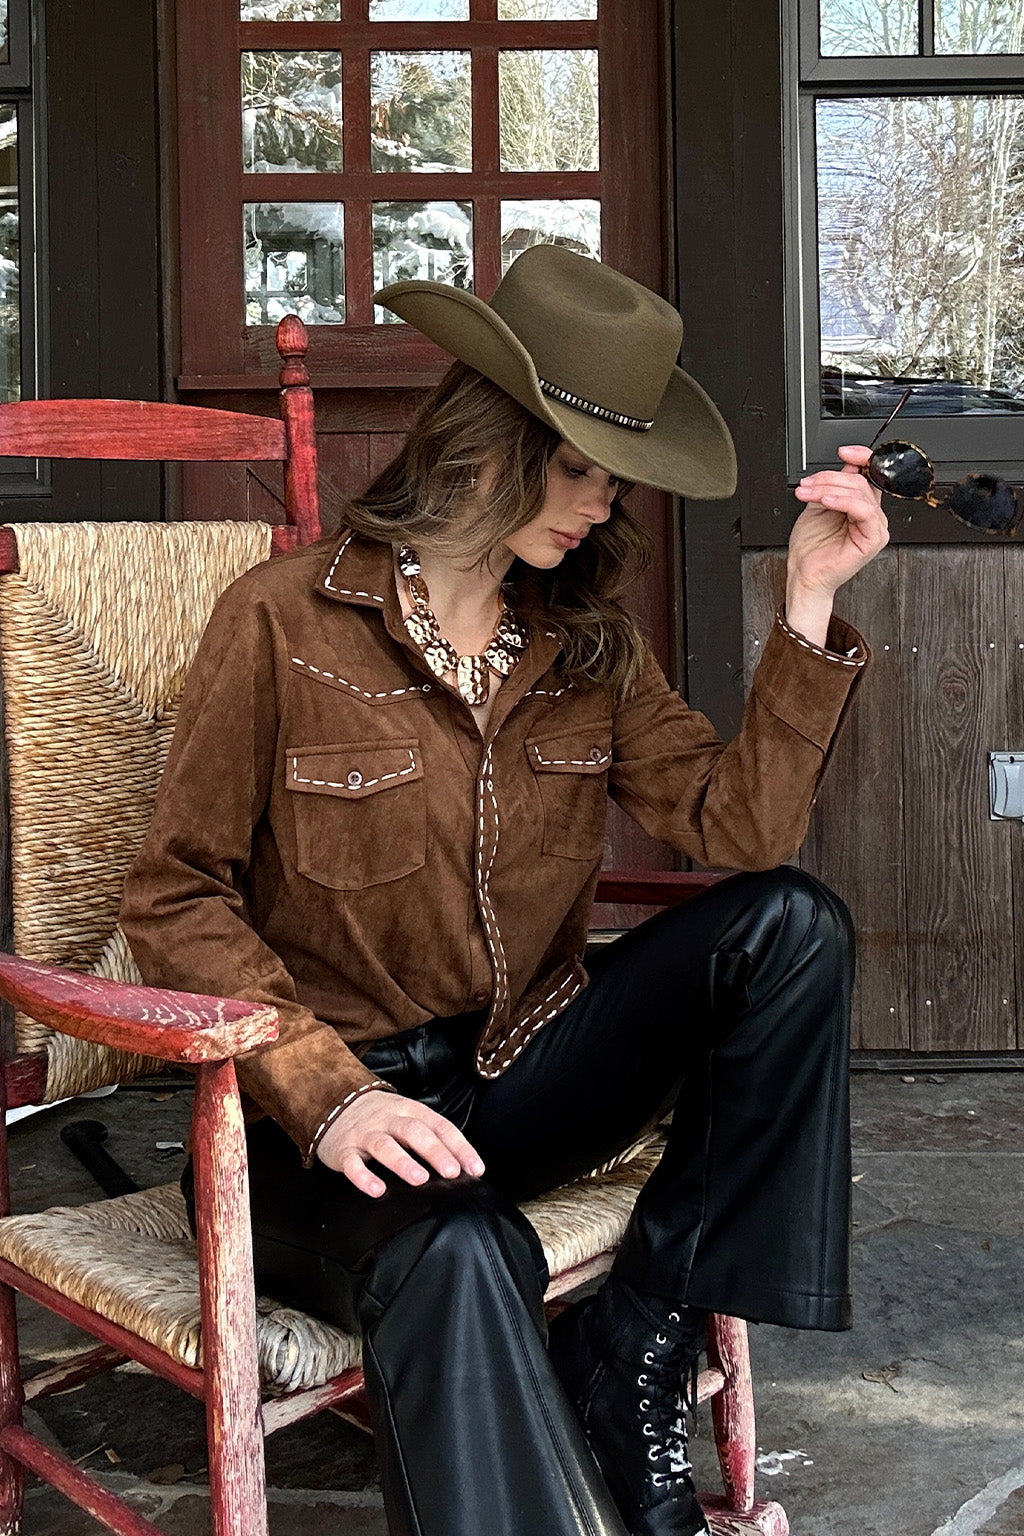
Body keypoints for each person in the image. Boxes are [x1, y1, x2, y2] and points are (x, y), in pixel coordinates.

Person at [120, 244, 888, 1536]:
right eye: (579, 466)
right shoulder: (282, 622)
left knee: (791, 929)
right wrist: (328, 1091)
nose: (600, 504)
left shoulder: (586, 644)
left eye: (614, 476)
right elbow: (174, 893)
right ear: (488, 441)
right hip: (313, 1130)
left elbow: (741, 827)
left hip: (516, 1079)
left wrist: (808, 597)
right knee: (464, 1245)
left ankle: (638, 1336)